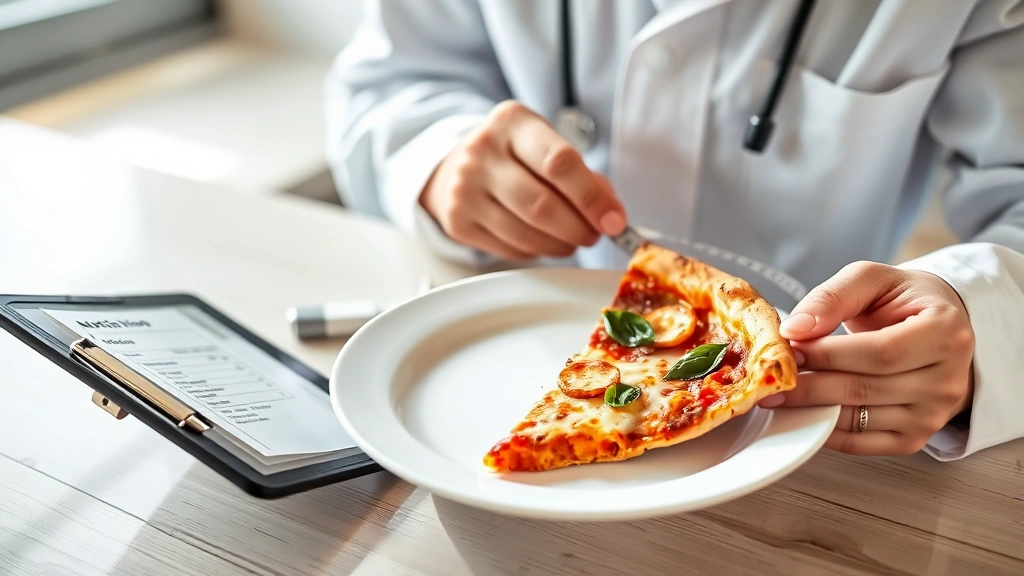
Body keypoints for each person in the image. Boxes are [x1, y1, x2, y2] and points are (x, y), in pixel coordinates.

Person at [323, 0, 1024, 461]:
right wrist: (437, 156)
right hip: (509, 340)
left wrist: (980, 313)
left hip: (820, 399)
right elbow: (391, 79)